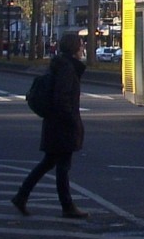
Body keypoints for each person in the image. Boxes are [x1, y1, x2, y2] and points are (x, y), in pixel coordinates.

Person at [12, 31, 88, 219]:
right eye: (80, 45)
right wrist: (72, 121)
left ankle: (22, 196)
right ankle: (66, 206)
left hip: (55, 124)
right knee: (61, 166)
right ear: (74, 48)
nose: (83, 48)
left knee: (50, 162)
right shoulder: (67, 69)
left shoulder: (60, 65)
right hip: (62, 125)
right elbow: (63, 99)